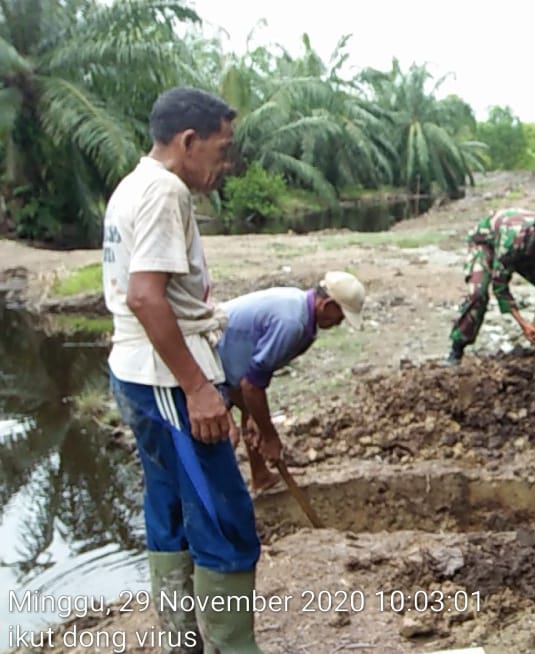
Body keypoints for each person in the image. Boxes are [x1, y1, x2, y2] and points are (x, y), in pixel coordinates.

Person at [102, 86, 262, 653]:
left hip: (133, 369)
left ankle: (182, 642)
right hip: (169, 377)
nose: (225, 164)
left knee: (168, 504)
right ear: (188, 141)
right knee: (223, 519)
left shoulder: (131, 184)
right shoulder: (167, 191)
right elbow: (147, 297)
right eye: (221, 150)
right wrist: (197, 388)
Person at [216, 271, 366, 492]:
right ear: (327, 305)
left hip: (230, 363)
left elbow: (252, 377)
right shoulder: (291, 323)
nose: (339, 323)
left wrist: (258, 421)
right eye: (341, 316)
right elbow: (252, 386)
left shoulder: (300, 311)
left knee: (254, 416)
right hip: (206, 358)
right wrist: (271, 437)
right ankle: (219, 503)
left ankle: (261, 477)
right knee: (223, 435)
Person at [446, 208, 535, 364]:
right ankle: (457, 348)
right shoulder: (511, 243)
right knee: (478, 294)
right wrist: (524, 324)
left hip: (528, 250)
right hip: (487, 243)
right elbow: (500, 286)